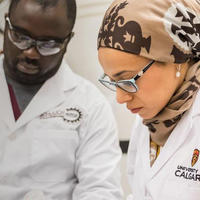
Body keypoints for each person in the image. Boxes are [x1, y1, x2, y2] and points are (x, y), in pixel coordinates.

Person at [0, 0, 123, 199]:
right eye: (20, 37)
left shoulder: (91, 105)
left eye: (48, 44)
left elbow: (100, 189)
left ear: (67, 41)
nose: (31, 52)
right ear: (6, 26)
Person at [97, 0, 200, 199]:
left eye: (127, 79)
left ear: (175, 57)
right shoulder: (150, 119)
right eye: (113, 81)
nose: (120, 98)